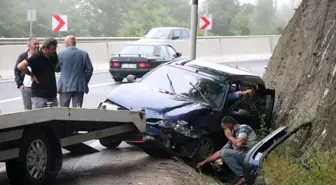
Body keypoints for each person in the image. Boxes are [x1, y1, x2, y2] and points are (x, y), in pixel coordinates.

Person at [196, 116, 258, 185]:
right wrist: (203, 162)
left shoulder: (243, 128)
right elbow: (220, 152)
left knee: (225, 153)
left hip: (251, 158)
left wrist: (230, 137)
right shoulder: (233, 136)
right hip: (243, 158)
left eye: (224, 129)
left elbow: (239, 143)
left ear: (230, 125)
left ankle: (244, 176)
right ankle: (238, 178)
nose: (224, 131)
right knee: (223, 154)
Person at [17, 37, 59, 109]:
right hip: (39, 95)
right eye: (52, 49)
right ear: (45, 48)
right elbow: (21, 66)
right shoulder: (37, 56)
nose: (54, 51)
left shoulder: (54, 55)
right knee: (40, 118)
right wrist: (32, 75)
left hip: (52, 94)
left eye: (55, 49)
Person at [56, 35, 93, 108]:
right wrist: (85, 80)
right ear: (74, 43)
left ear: (67, 43)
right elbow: (90, 69)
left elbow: (56, 69)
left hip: (65, 86)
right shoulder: (84, 54)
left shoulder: (61, 54)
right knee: (77, 110)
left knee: (63, 109)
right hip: (79, 86)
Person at [14, 37, 40, 110]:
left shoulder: (41, 55)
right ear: (29, 45)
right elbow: (16, 70)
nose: (37, 46)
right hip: (26, 88)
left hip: (38, 87)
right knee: (28, 109)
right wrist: (20, 84)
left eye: (38, 44)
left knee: (38, 109)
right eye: (35, 44)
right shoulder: (22, 56)